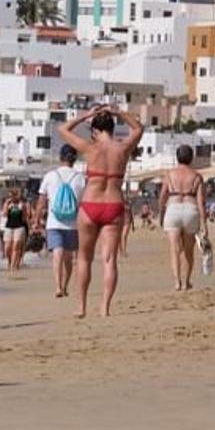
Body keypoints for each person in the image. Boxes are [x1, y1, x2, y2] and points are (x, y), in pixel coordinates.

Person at [57, 105, 144, 318]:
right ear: (113, 128)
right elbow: (138, 129)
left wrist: (86, 115)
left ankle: (81, 307)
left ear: (94, 130)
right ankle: (105, 307)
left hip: (90, 205)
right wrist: (118, 112)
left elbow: (63, 129)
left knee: (84, 259)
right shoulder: (122, 148)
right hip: (113, 205)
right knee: (109, 260)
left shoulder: (89, 148)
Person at [34, 144, 86, 298]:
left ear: (60, 157)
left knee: (57, 253)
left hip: (53, 222)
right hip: (73, 223)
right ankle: (64, 286)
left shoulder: (50, 176)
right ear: (74, 159)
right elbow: (84, 203)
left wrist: (36, 219)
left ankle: (57, 286)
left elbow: (41, 201)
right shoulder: (80, 178)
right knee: (68, 257)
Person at [158, 144, 208, 291]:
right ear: (191, 158)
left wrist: (161, 214)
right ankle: (186, 282)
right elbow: (201, 203)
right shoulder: (196, 176)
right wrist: (204, 224)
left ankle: (177, 282)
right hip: (190, 209)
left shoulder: (169, 174)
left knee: (174, 249)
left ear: (177, 157)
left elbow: (162, 197)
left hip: (173, 208)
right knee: (188, 250)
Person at [0, 189, 30, 274]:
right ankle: (9, 261)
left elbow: (24, 217)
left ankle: (13, 265)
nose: (12, 197)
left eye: (14, 195)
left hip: (19, 227)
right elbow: (5, 214)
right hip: (9, 227)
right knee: (7, 247)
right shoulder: (8, 204)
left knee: (16, 246)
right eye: (11, 196)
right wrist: (6, 204)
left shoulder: (22, 204)